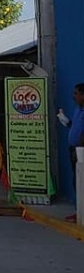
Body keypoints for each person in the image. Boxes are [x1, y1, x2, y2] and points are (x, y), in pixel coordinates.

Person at [58, 82, 84, 221]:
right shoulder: (78, 110)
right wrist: (66, 121)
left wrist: (79, 148)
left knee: (81, 182)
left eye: (76, 93)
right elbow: (75, 127)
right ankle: (79, 211)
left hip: (80, 152)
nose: (74, 97)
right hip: (74, 150)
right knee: (76, 181)